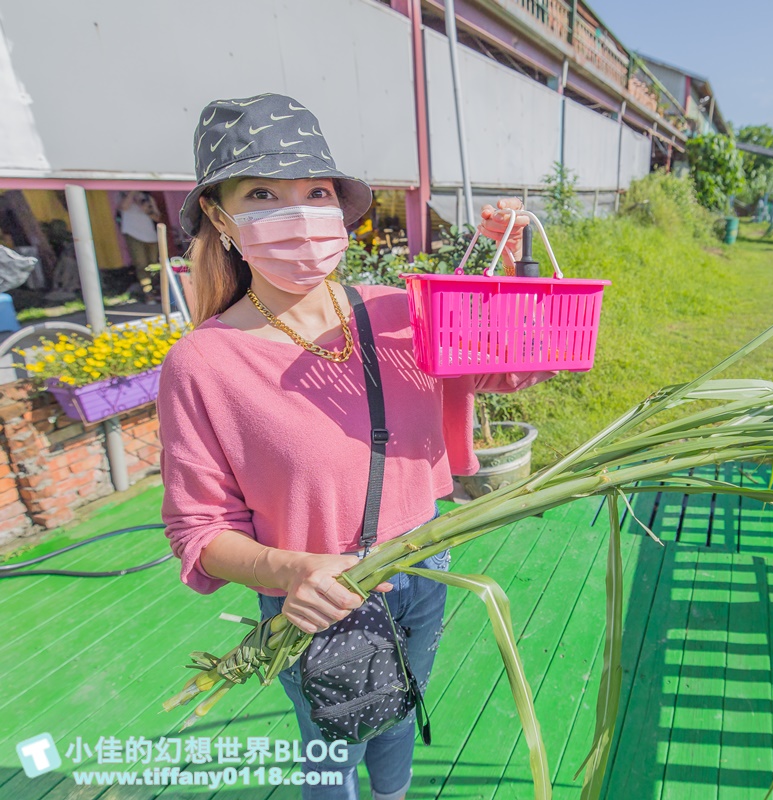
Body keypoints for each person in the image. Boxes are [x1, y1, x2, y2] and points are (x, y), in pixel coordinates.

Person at [158, 93, 551, 800]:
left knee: (400, 709)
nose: (299, 213)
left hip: (426, 565)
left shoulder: (404, 311)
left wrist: (508, 269)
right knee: (331, 742)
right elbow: (198, 530)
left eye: (314, 191)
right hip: (313, 600)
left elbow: (509, 366)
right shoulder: (204, 362)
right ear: (219, 217)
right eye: (261, 193)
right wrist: (289, 573)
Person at [118, 190, 163, 300]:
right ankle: (148, 292)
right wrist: (133, 193)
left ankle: (158, 289)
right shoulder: (123, 195)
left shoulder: (147, 198)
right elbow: (123, 207)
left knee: (154, 264)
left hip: (150, 234)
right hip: (133, 234)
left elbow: (157, 217)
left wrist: (147, 208)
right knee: (141, 264)